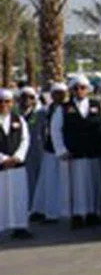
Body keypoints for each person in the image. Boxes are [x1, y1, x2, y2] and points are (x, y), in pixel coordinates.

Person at [52, 76, 101, 228]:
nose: (80, 91)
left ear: (88, 89)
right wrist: (62, 150)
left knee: (94, 184)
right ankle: (77, 214)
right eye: (76, 88)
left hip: (94, 152)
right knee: (76, 187)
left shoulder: (98, 105)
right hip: (74, 154)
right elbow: (55, 130)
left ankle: (93, 213)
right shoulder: (63, 108)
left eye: (83, 87)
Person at [30, 83, 69, 222]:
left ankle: (59, 212)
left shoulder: (68, 109)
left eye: (62, 92)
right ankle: (43, 210)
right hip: (49, 150)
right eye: (56, 93)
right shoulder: (45, 110)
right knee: (48, 182)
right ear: (51, 95)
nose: (59, 95)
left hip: (65, 151)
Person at [0, 89, 32, 239]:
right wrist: (3, 159)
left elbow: (25, 140)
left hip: (17, 165)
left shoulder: (19, 120)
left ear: (12, 103)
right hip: (2, 165)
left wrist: (18, 157)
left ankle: (20, 226)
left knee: (19, 196)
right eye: (1, 102)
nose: (4, 105)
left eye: (7, 101)